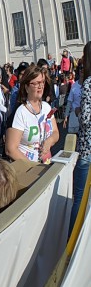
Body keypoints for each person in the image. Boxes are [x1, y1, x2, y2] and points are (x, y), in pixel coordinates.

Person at [5, 66, 59, 163]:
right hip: (27, 169)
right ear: (26, 87)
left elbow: (55, 132)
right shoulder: (21, 112)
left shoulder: (46, 107)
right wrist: (32, 167)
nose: (40, 86)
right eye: (36, 83)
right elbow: (10, 149)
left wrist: (49, 141)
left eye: (42, 82)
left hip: (46, 163)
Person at [70, 41, 91, 232]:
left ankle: (72, 236)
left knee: (79, 195)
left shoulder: (88, 83)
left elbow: (85, 118)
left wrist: (77, 110)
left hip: (86, 148)